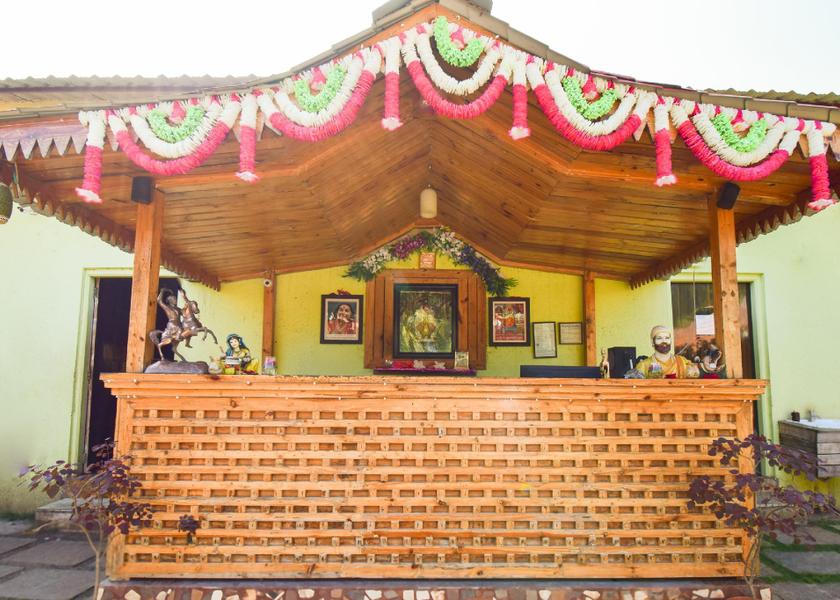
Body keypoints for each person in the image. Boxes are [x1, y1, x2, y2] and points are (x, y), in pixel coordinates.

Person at [634, 325, 699, 379]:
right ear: (652, 342)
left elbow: (694, 378)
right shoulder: (644, 365)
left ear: (670, 341)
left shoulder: (682, 361)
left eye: (667, 338)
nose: (664, 341)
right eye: (659, 338)